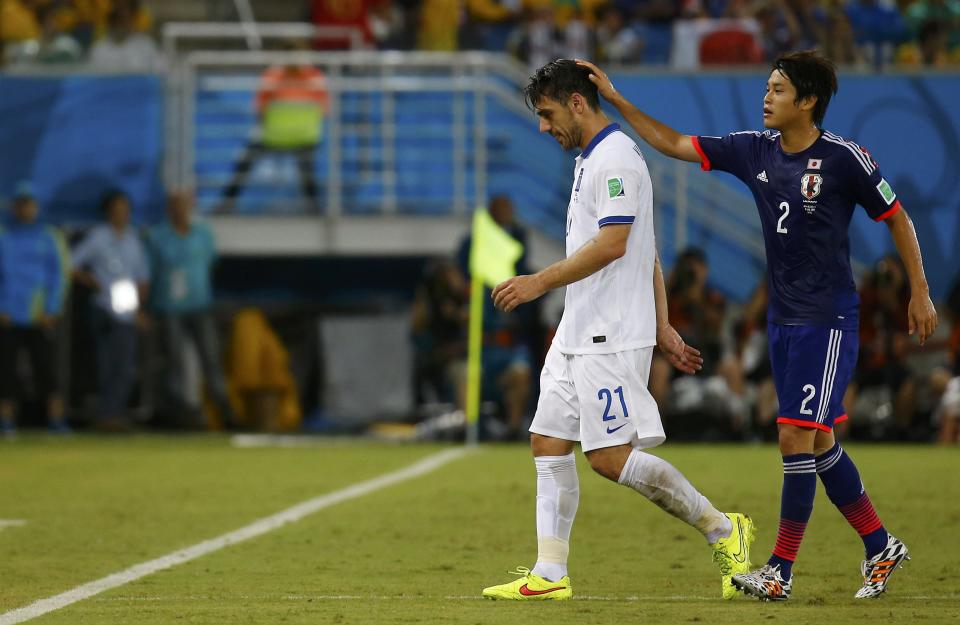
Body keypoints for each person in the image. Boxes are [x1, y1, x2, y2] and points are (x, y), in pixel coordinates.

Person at [575, 51, 937, 600]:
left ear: (808, 101)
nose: (766, 97)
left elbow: (897, 217)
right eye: (767, 87)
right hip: (783, 320)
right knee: (816, 441)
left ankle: (779, 570)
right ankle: (880, 543)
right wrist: (618, 100)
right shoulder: (754, 149)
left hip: (829, 319)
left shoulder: (844, 159)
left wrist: (920, 290)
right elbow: (676, 144)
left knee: (793, 434)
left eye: (778, 89)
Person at [481, 60, 753, 603]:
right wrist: (664, 323)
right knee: (547, 440)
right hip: (578, 330)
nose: (542, 127)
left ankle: (724, 527)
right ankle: (550, 573)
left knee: (608, 458)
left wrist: (537, 283)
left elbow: (615, 245)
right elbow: (649, 250)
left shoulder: (617, 160)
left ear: (577, 103)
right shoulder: (591, 160)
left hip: (609, 334)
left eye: (547, 114)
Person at [146, 192, 234, 429]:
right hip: (168, 308)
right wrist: (146, 308)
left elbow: (210, 262)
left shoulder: (203, 234)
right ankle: (178, 415)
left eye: (184, 205)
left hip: (200, 305)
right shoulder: (158, 237)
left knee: (211, 360)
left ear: (191, 206)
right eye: (175, 205)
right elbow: (149, 274)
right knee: (174, 363)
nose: (180, 210)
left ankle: (225, 413)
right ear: (168, 208)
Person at [72, 190, 150, 430]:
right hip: (103, 306)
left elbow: (143, 278)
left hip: (126, 309)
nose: (122, 213)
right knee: (105, 365)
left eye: (125, 208)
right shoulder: (98, 237)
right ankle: (106, 415)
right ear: (108, 211)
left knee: (124, 367)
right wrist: (92, 281)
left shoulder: (133, 240)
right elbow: (70, 263)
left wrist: (138, 309)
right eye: (117, 208)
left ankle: (111, 414)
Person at [0, 183, 70, 435]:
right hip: (8, 316)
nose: (25, 209)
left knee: (47, 370)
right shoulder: (4, 236)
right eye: (21, 204)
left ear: (36, 207)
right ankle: (6, 422)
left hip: (39, 316)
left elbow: (59, 277)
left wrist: (52, 309)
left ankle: (56, 420)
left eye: (29, 204)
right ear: (15, 207)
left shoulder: (50, 236)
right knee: (5, 370)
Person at [220, 55, 329, 213]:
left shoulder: (311, 76)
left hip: (299, 138)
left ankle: (314, 208)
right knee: (246, 159)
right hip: (279, 137)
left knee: (305, 166)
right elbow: (324, 110)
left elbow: (260, 109)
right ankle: (227, 204)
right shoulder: (275, 75)